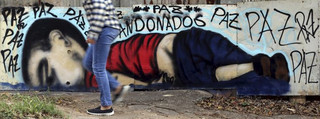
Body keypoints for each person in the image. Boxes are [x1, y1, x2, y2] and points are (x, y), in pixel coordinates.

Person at [82, 0, 130, 116]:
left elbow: (99, 13)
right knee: (88, 62)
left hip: (105, 29)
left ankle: (106, 106)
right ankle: (117, 87)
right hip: (103, 29)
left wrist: (92, 34)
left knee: (98, 68)